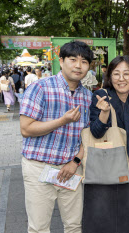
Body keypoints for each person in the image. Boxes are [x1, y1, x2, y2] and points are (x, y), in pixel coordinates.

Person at [19, 41, 93, 233]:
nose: (78, 65)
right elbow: (26, 129)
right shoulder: (40, 88)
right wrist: (62, 121)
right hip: (39, 169)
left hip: (71, 169)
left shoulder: (87, 97)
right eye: (72, 59)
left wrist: (75, 162)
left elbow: (88, 137)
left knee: (74, 226)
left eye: (84, 61)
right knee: (39, 228)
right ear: (61, 61)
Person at [83, 55, 129, 233]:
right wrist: (104, 113)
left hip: (127, 164)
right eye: (116, 74)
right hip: (102, 165)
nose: (121, 79)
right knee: (100, 217)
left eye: (127, 74)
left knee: (125, 218)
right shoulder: (101, 95)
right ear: (109, 76)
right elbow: (96, 132)